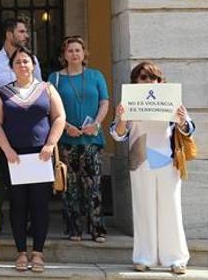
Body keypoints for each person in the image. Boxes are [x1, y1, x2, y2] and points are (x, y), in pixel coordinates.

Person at [111, 61, 195, 275]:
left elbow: (189, 130)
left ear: (160, 81)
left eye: (153, 78)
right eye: (143, 78)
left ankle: (176, 259)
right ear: (136, 81)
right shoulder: (129, 103)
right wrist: (121, 117)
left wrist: (183, 119)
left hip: (167, 161)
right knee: (143, 208)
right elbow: (118, 134)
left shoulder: (171, 100)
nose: (149, 82)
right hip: (140, 160)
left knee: (171, 209)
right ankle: (143, 257)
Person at [0, 46, 65, 273]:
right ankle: (21, 252)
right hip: (15, 158)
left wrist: (50, 144)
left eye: (26, 61)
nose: (22, 65)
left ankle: (38, 253)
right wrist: (6, 149)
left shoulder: (47, 88)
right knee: (18, 205)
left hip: (41, 156)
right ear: (12, 68)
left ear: (33, 65)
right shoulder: (4, 92)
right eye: (17, 62)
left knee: (40, 205)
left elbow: (60, 117)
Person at [0, 17, 42, 232]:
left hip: (26, 128)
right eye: (22, 31)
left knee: (29, 176)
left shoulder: (32, 60)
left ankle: (31, 221)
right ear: (9, 34)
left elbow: (39, 89)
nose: (26, 35)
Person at [48, 36, 109, 243]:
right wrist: (66, 126)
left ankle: (97, 228)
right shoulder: (55, 78)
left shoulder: (96, 76)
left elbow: (104, 102)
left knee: (93, 185)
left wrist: (97, 124)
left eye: (78, 50)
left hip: (91, 139)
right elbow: (49, 107)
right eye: (70, 50)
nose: (74, 54)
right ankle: (74, 228)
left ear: (84, 54)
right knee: (70, 186)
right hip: (66, 139)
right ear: (64, 55)